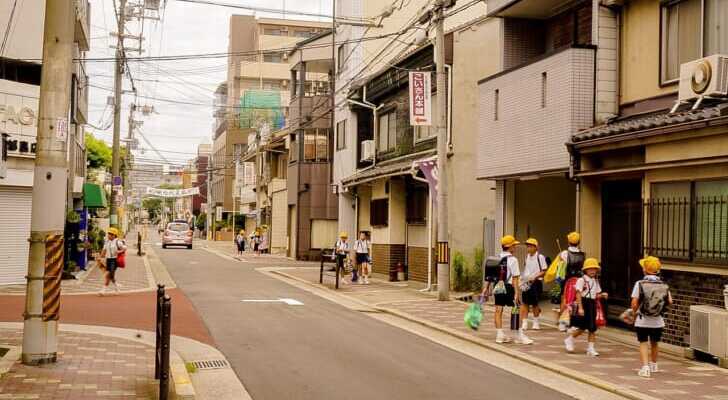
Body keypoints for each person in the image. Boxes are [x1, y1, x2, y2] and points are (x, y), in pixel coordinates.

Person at [631, 256, 672, 378]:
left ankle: (645, 367)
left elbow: (634, 302)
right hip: (658, 320)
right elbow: (670, 301)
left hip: (643, 320)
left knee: (643, 342)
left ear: (644, 270)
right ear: (657, 270)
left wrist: (634, 313)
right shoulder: (663, 284)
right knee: (655, 343)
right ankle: (654, 365)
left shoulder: (640, 283)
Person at [564, 258, 608, 356]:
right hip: (584, 303)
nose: (592, 271)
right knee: (582, 327)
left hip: (592, 304)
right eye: (590, 269)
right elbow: (578, 294)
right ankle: (570, 339)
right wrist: (580, 307)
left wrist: (602, 295)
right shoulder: (581, 280)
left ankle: (591, 349)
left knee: (592, 328)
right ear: (585, 270)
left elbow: (595, 295)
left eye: (594, 269)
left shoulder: (595, 281)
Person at [494, 235, 523, 344]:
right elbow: (515, 278)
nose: (515, 247)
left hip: (498, 285)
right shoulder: (513, 260)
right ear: (510, 247)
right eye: (514, 245)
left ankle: (499, 335)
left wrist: (486, 288)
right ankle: (516, 334)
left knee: (498, 310)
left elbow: (491, 276)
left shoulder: (496, 258)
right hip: (509, 286)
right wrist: (517, 293)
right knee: (516, 308)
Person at [557, 231, 585, 331]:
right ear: (578, 242)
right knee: (576, 301)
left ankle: (562, 323)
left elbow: (560, 267)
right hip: (579, 280)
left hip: (567, 280)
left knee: (565, 300)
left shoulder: (564, 253)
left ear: (568, 242)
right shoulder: (583, 254)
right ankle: (574, 323)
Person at [520, 238, 548, 332]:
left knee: (535, 303)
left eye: (531, 246)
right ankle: (524, 322)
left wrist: (535, 277)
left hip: (536, 282)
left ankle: (536, 322)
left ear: (536, 247)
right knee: (525, 303)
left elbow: (544, 271)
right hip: (526, 282)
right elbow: (526, 268)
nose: (528, 248)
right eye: (527, 246)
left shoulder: (540, 257)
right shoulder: (526, 256)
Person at [99, 227, 126, 296]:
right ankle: (117, 287)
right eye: (109, 234)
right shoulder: (107, 241)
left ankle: (103, 290)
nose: (109, 235)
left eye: (111, 234)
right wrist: (100, 257)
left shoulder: (118, 242)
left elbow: (124, 248)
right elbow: (104, 250)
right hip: (108, 259)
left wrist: (119, 251)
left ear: (114, 235)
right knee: (111, 276)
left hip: (115, 260)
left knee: (109, 273)